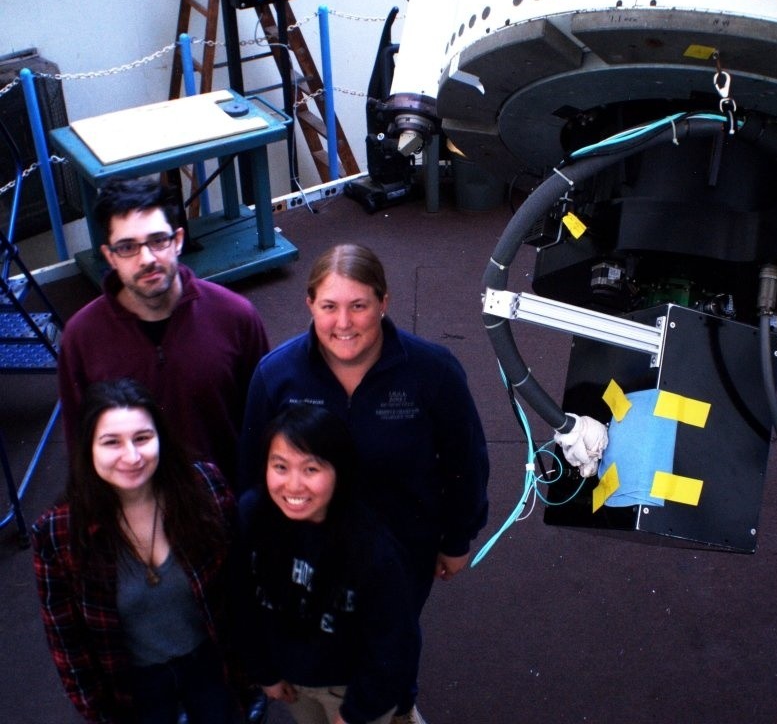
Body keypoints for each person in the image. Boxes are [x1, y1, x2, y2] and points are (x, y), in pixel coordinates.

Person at [238, 243, 489, 724]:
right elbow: (252, 469)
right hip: (307, 550)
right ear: (309, 304)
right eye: (329, 306)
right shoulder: (276, 376)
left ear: (384, 303)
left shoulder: (432, 372)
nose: (344, 323)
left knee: (391, 638)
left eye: (359, 305)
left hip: (404, 548)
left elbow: (467, 461)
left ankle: (394, 705)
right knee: (321, 633)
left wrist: (458, 538)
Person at [31, 378, 240, 723]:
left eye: (142, 438)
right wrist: (99, 712)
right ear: (88, 449)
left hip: (211, 664)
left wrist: (246, 674)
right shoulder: (58, 533)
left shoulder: (206, 488)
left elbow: (238, 589)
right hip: (135, 683)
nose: (132, 456)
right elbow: (67, 643)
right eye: (111, 442)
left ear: (161, 439)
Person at [58, 176, 270, 484]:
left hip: (228, 510)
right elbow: (80, 447)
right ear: (110, 256)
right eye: (128, 247)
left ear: (179, 240)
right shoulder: (81, 339)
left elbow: (266, 425)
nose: (147, 259)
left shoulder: (236, 317)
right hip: (134, 516)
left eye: (158, 240)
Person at [234, 403, 420, 724]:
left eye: (311, 469)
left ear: (339, 472)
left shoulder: (372, 547)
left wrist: (356, 713)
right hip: (294, 682)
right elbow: (241, 602)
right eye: (280, 466)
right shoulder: (252, 516)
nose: (293, 485)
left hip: (352, 688)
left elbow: (393, 644)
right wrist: (264, 672)